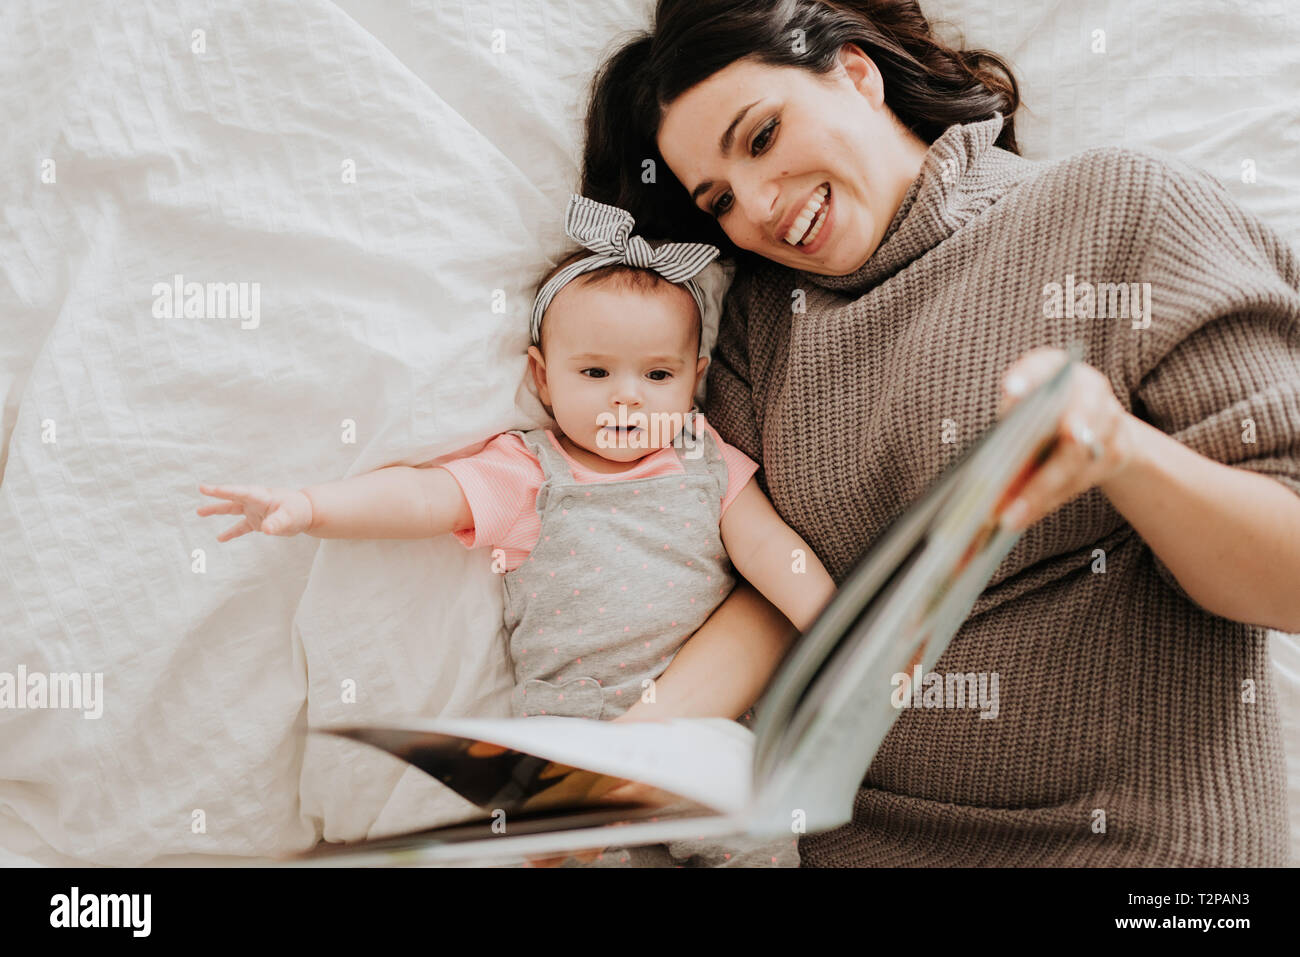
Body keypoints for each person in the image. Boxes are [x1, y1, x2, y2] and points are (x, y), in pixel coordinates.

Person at [577, 0, 1300, 866]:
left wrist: (1123, 453)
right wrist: (617, 759)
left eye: (762, 136)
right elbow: (779, 594)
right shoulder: (757, 331)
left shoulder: (1119, 210)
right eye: (719, 198)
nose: (760, 208)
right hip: (843, 843)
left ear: (855, 73)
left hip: (1139, 853)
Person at [196, 193, 830, 866]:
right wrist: (312, 505)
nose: (628, 395)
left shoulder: (706, 460)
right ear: (542, 377)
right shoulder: (532, 470)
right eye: (595, 371)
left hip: (709, 714)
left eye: (658, 374)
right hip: (570, 730)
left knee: (751, 828)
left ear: (695, 378)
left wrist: (829, 616)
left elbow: (768, 546)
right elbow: (424, 496)